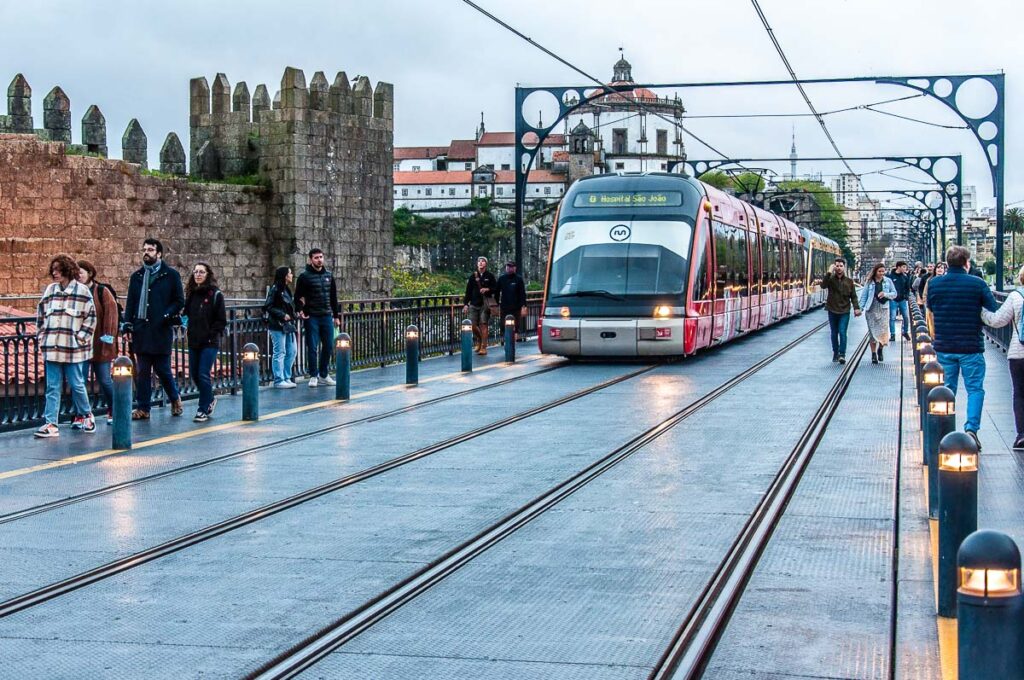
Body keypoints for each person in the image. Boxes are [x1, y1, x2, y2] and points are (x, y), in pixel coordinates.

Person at [926, 245, 998, 450]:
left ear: (947, 263)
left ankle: (944, 431)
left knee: (947, 389)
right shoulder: (977, 283)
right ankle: (971, 429)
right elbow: (992, 308)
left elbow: (930, 308)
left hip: (944, 345)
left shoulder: (935, 284)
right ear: (967, 263)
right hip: (971, 346)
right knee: (975, 389)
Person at [34, 255, 97, 437]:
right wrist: (42, 337)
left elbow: (90, 319)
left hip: (72, 349)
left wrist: (80, 339)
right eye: (52, 270)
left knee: (77, 384)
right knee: (52, 387)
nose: (54, 273)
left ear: (67, 270)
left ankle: (87, 415)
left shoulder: (82, 292)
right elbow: (40, 315)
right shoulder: (50, 290)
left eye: (58, 270)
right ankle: (51, 423)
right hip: (52, 348)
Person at [123, 238, 185, 420]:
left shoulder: (170, 275)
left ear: (159, 254)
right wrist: (127, 325)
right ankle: (143, 408)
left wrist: (166, 315)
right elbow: (131, 303)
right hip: (141, 329)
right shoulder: (137, 277)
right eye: (144, 249)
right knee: (143, 370)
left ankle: (175, 398)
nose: (146, 252)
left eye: (150, 249)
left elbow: (179, 300)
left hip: (161, 329)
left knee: (162, 368)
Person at [980, 265, 1024, 450]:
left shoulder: (1016, 296)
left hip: (1019, 353)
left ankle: (1022, 435)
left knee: (1020, 394)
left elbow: (997, 321)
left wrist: (980, 311)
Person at [183, 262, 226, 422]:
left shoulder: (215, 294)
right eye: (195, 272)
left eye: (201, 272)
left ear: (208, 274)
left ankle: (202, 408)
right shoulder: (192, 294)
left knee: (203, 373)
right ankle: (209, 398)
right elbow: (186, 314)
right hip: (194, 340)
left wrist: (211, 334)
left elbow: (221, 320)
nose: (198, 275)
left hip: (209, 341)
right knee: (194, 374)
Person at [77, 260, 119, 425]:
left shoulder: (102, 291)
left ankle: (114, 409)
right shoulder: (76, 292)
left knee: (105, 380)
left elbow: (111, 314)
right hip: (82, 345)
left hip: (100, 344)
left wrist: (108, 339)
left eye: (81, 272)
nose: (78, 276)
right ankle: (81, 413)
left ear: (90, 273)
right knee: (79, 381)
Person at [294, 248, 341, 388]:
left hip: (326, 315)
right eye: (316, 257)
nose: (319, 259)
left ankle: (324, 374)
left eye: (321, 257)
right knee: (312, 347)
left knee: (328, 345)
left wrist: (336, 316)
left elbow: (333, 297)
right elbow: (297, 296)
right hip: (312, 316)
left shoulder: (329, 275)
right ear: (310, 259)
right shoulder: (304, 277)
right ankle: (313, 375)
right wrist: (300, 310)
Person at [820, 257, 862, 365]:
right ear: (834, 267)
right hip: (832, 310)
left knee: (842, 332)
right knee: (834, 333)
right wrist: (829, 272)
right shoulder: (830, 279)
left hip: (844, 311)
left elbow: (854, 296)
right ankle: (835, 352)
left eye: (841, 266)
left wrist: (856, 308)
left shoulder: (849, 281)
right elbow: (823, 285)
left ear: (844, 267)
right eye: (837, 266)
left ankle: (842, 354)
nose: (839, 268)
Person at [264, 266, 298, 388]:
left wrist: (294, 313)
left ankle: (286, 376)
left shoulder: (286, 289)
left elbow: (289, 305)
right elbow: (268, 306)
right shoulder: (275, 289)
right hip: (277, 325)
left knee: (292, 351)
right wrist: (282, 315)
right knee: (280, 351)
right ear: (285, 276)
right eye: (290, 273)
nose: (292, 275)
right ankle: (279, 379)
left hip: (287, 325)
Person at [860, 263, 897, 364]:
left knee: (883, 333)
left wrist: (885, 294)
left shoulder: (888, 281)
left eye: (883, 271)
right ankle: (873, 354)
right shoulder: (869, 282)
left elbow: (894, 294)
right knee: (872, 334)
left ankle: (880, 349)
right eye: (879, 271)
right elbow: (864, 296)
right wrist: (860, 308)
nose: (881, 273)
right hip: (871, 309)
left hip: (883, 309)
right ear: (875, 271)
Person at [462, 256, 498, 355]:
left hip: (484, 304)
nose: (480, 262)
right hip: (473, 304)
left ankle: (483, 347)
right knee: (472, 325)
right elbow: (468, 291)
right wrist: (465, 304)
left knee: (483, 324)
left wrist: (487, 289)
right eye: (479, 261)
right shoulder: (473, 276)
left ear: (486, 264)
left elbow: (495, 288)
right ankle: (479, 339)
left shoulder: (490, 276)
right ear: (477, 264)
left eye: (483, 261)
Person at [495, 261, 527, 343]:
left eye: (511, 266)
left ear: (515, 268)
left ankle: (514, 339)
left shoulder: (519, 279)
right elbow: (496, 292)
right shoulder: (502, 278)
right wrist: (496, 304)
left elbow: (522, 293)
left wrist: (523, 306)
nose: (509, 268)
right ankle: (503, 339)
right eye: (507, 266)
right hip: (504, 306)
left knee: (516, 325)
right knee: (503, 324)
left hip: (516, 307)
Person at [887, 261, 913, 341]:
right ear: (898, 267)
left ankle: (905, 332)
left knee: (906, 317)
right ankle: (893, 334)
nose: (905, 269)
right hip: (893, 300)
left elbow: (907, 288)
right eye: (904, 267)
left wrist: (906, 296)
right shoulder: (890, 277)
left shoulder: (905, 277)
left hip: (902, 300)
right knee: (892, 317)